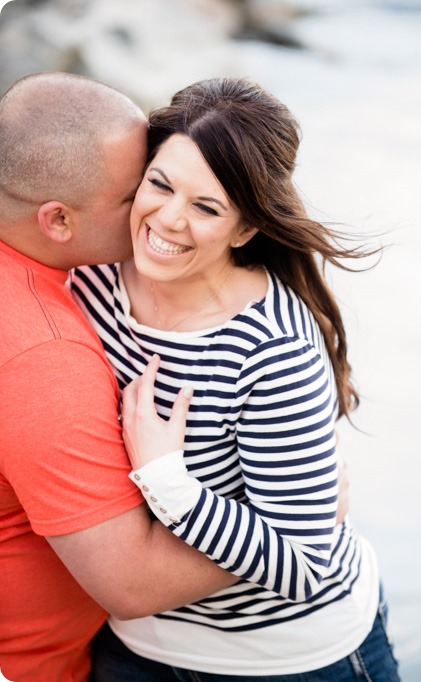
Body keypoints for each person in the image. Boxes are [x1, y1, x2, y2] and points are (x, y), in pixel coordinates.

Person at [71, 77, 400, 681]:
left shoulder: (272, 349)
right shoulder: (90, 280)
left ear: (246, 229)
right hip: (132, 649)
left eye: (207, 207)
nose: (168, 220)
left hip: (292, 661)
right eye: (160, 184)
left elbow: (304, 564)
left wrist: (169, 481)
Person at [0, 71, 243, 682]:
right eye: (138, 189)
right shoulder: (41, 351)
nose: (154, 212)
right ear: (57, 221)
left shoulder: (56, 281)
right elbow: (132, 585)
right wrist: (296, 534)